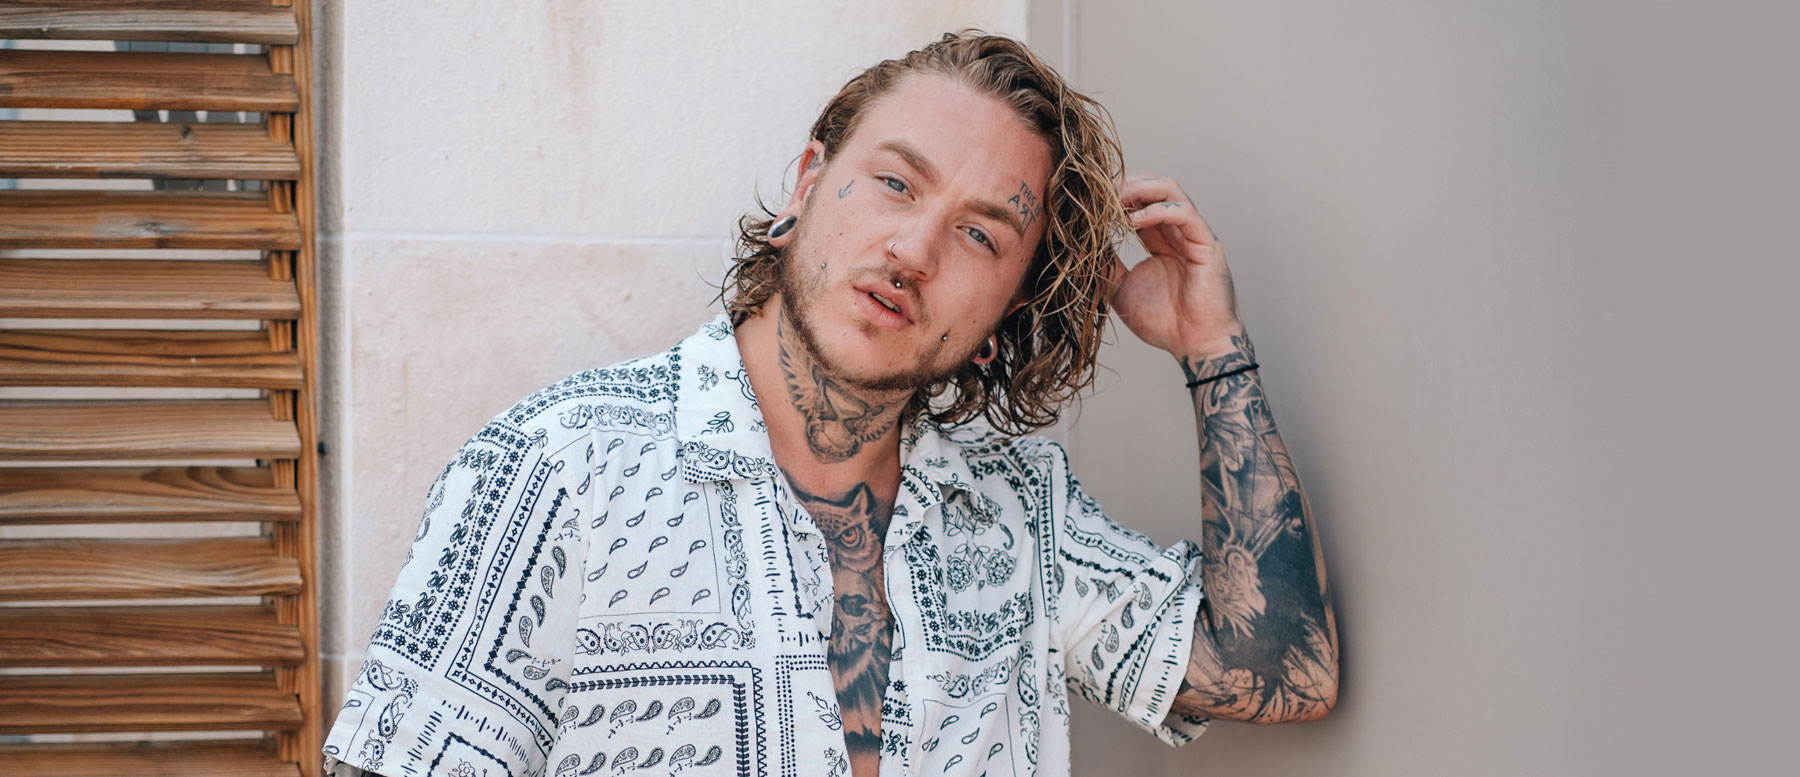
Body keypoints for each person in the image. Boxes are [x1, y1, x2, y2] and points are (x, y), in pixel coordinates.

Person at [323, 30, 1338, 777]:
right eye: (896, 183)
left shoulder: (1020, 519)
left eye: (981, 235)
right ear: (809, 182)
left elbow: (1279, 668)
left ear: (1006, 313)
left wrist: (1212, 348)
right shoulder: (562, 469)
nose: (915, 249)